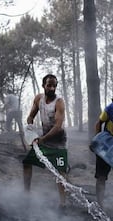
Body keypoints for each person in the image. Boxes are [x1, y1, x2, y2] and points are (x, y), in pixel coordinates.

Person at [22, 74, 68, 206]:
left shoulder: (59, 102)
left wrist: (42, 139)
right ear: (43, 86)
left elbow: (58, 126)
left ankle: (62, 204)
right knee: (27, 162)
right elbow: (30, 116)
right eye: (49, 85)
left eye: (54, 85)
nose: (52, 88)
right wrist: (30, 128)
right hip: (44, 141)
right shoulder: (39, 99)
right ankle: (26, 194)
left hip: (59, 143)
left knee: (61, 173)